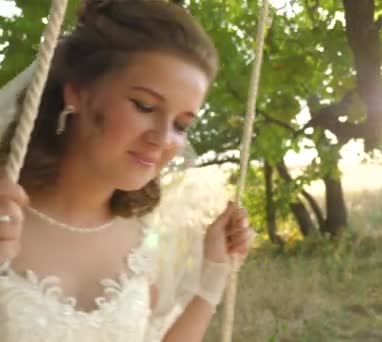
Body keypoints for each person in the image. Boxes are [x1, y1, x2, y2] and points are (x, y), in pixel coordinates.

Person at [0, 0, 253, 341]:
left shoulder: (144, 237)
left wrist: (214, 273)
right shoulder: (6, 213)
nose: (163, 139)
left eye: (181, 124)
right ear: (77, 92)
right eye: (144, 106)